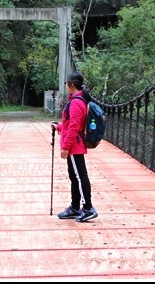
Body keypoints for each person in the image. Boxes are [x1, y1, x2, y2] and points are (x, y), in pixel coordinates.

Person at [52, 71, 98, 222]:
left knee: (79, 176)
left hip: (74, 146)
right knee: (75, 177)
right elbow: (70, 125)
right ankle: (75, 207)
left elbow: (74, 127)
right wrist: (59, 127)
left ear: (71, 84)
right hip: (74, 144)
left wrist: (65, 147)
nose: (65, 85)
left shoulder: (77, 102)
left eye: (66, 83)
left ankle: (88, 208)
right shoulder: (76, 100)